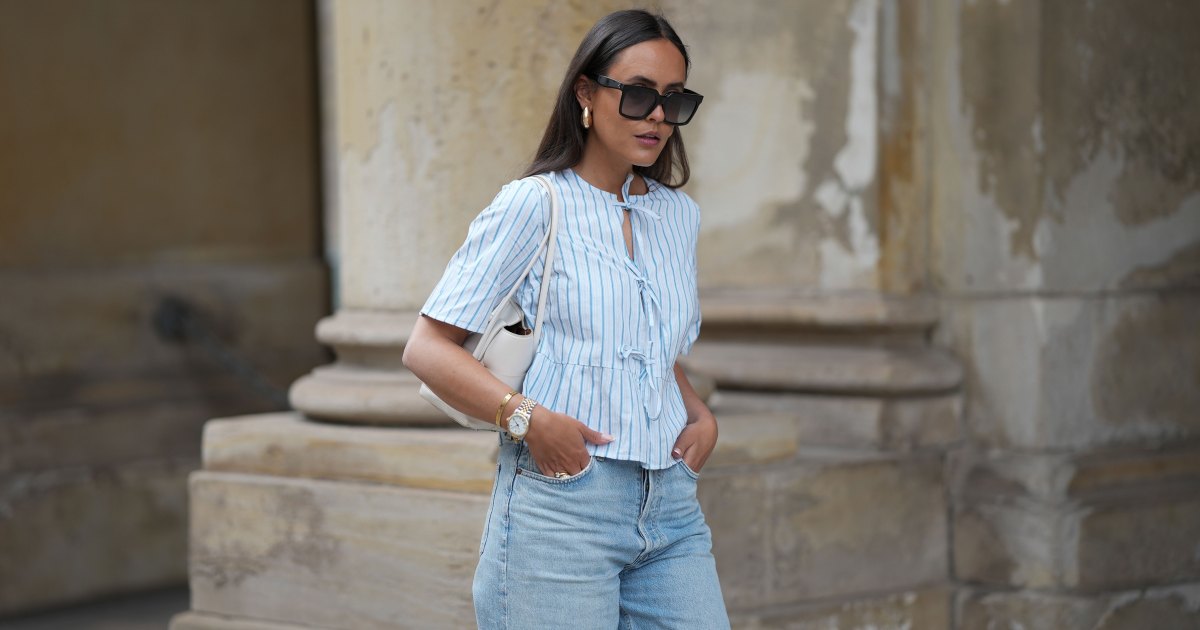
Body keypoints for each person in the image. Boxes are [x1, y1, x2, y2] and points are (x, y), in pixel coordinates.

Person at [402, 9, 729, 629]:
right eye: (636, 95)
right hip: (562, 505)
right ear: (586, 92)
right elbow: (427, 348)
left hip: (672, 507)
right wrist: (531, 421)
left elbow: (650, 341)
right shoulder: (535, 203)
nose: (657, 115)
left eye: (673, 99)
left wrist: (699, 414)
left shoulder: (676, 216)